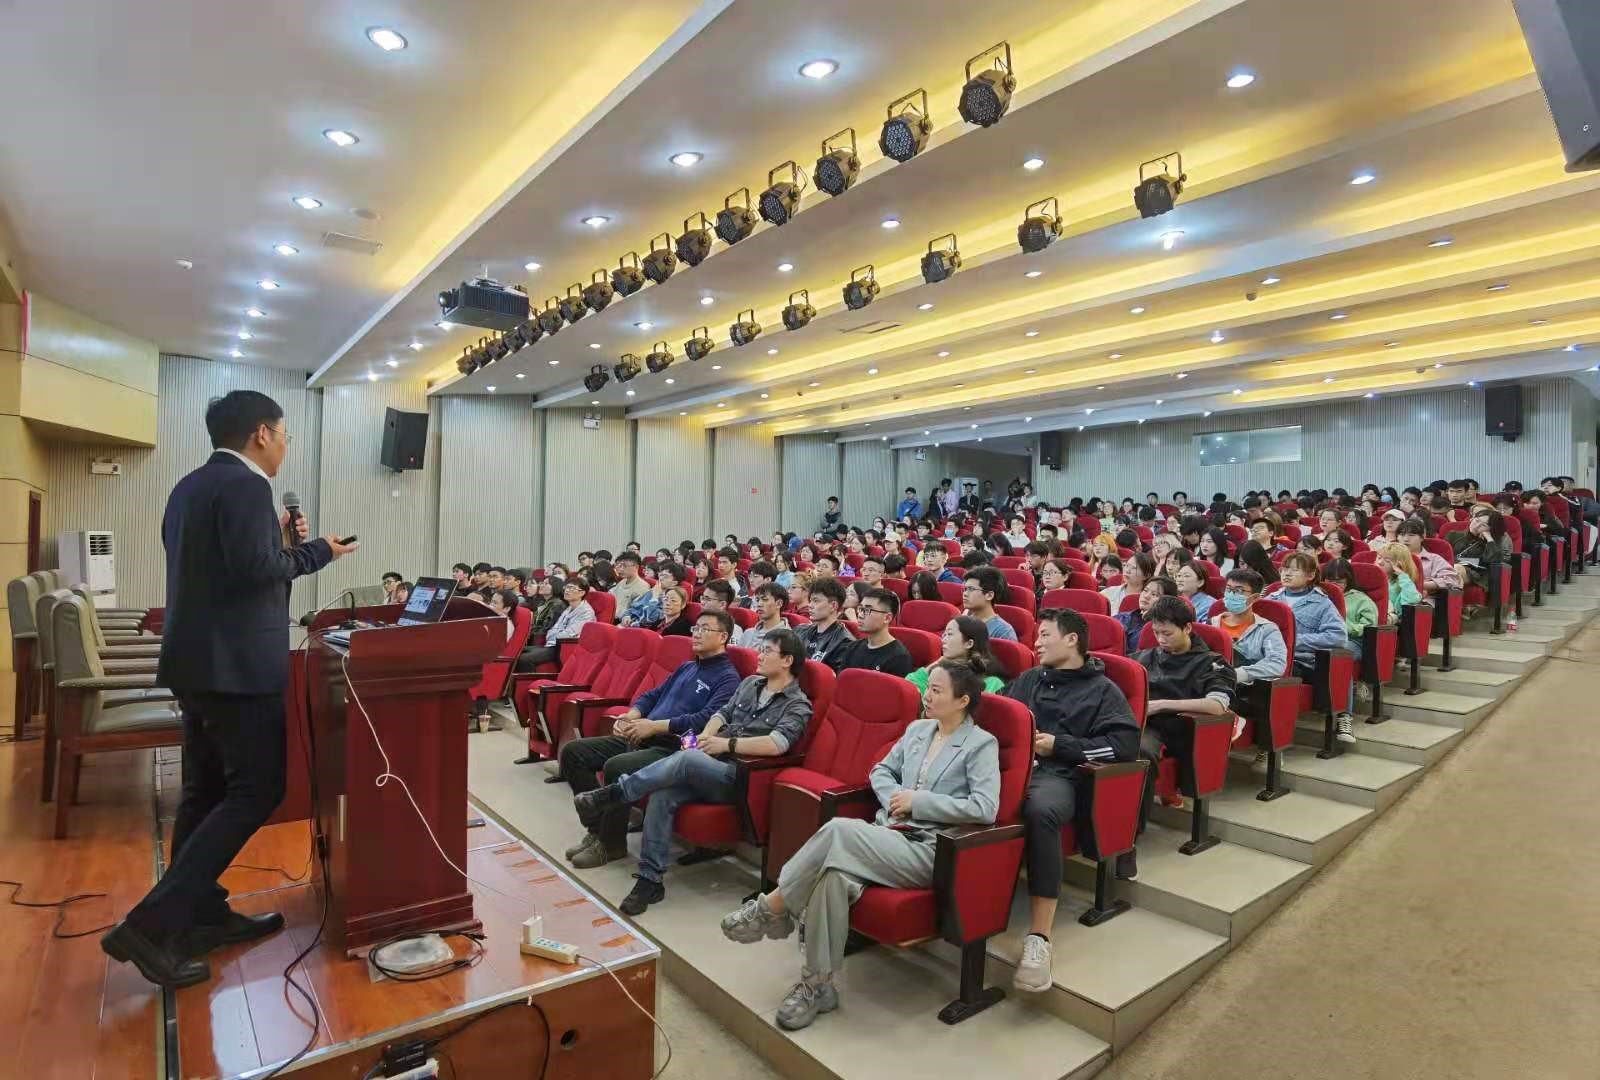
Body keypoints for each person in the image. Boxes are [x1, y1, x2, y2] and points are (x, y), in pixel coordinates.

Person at [102, 390, 354, 989]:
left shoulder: (189, 487)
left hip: (195, 663)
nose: (285, 445)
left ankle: (201, 914)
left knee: (205, 790)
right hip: (237, 667)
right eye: (284, 434)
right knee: (257, 789)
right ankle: (151, 925)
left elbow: (224, 569)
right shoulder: (247, 487)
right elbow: (255, 571)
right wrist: (317, 552)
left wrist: (281, 543)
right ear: (262, 433)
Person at [717, 662, 999, 1031]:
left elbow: (985, 807)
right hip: (887, 833)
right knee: (831, 877)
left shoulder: (980, 744)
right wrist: (895, 797)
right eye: (927, 688)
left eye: (936, 691)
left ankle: (774, 905)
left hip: (929, 848)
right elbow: (880, 770)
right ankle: (817, 986)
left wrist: (919, 802)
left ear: (962, 700)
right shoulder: (918, 730)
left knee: (838, 830)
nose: (926, 696)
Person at [574, 628, 815, 915]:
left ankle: (616, 792)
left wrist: (726, 744)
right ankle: (650, 880)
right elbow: (722, 713)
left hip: (740, 777)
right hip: (709, 760)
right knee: (663, 794)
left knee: (687, 759)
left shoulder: (798, 703)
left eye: (767, 651)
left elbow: (777, 744)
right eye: (760, 650)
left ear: (787, 660)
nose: (759, 656)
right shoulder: (751, 683)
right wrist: (707, 736)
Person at [1006, 609, 1141, 990]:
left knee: (1041, 811)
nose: (1036, 643)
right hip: (1012, 768)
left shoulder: (1103, 690)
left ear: (1071, 640)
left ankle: (1040, 936)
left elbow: (1123, 747)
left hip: (1059, 774)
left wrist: (1060, 746)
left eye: (1045, 635)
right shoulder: (1030, 678)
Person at [559, 611, 741, 866]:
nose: (697, 634)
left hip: (673, 748)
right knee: (574, 752)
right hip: (643, 734)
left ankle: (611, 845)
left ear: (723, 637)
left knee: (617, 766)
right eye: (695, 628)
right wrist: (631, 715)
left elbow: (705, 721)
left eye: (705, 629)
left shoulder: (728, 678)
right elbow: (652, 695)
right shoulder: (688, 667)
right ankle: (597, 829)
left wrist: (654, 727)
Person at [1133, 595, 1237, 815]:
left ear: (1187, 628)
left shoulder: (1212, 662)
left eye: (1167, 633)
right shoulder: (1145, 657)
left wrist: (1161, 705)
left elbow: (1217, 705)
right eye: (1156, 633)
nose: (1160, 639)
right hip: (1138, 721)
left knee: (1137, 747)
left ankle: (1132, 824)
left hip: (1171, 729)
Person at [1276, 552, 1357, 742]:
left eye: (1294, 570)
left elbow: (1338, 637)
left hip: (1304, 662)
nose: (1287, 573)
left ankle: (1344, 717)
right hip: (1272, 658)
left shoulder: (1322, 603)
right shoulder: (1271, 599)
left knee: (1341, 662)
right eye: (1284, 569)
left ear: (1310, 575)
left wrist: (1295, 641)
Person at [906, 616, 1007, 694]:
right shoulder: (941, 671)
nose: (943, 640)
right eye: (944, 635)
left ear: (969, 643)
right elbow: (909, 686)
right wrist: (937, 663)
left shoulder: (991, 683)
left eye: (949, 634)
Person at [837, 588, 916, 676]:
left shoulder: (899, 658)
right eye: (860, 609)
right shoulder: (853, 647)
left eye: (867, 610)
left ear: (887, 618)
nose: (860, 615)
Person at [522, 578, 596, 666]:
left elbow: (570, 634)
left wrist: (553, 637)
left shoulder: (586, 612)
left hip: (565, 647)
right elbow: (554, 628)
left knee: (523, 659)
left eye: (572, 588)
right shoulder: (569, 608)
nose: (567, 590)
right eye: (567, 587)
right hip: (552, 644)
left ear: (582, 593)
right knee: (518, 651)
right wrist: (552, 636)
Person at [795, 577, 855, 669]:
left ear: (833, 605)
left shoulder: (845, 643)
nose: (809, 605)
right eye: (810, 600)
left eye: (816, 601)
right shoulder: (800, 630)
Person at [1398, 519, 1461, 595]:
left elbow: (1453, 580)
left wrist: (1423, 585)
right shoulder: (1390, 556)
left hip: (1424, 599)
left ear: (1422, 537)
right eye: (1402, 535)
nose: (1406, 539)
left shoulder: (1434, 559)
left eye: (1411, 535)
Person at [1117, 576, 1178, 654]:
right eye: (1145, 590)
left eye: (1154, 594)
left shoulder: (1163, 629)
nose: (1146, 596)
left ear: (1167, 601)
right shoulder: (1122, 617)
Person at [960, 566, 1018, 642]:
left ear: (989, 595)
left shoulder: (1003, 632)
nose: (965, 594)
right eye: (965, 589)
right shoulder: (962, 622)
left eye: (971, 589)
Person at [736, 583, 789, 648]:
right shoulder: (748, 633)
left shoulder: (787, 638)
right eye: (757, 600)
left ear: (779, 603)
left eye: (765, 599)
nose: (759, 604)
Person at [1375, 543, 1424, 613]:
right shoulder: (1372, 579)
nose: (1380, 562)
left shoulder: (1403, 584)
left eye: (1387, 560)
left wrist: (1402, 575)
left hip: (1391, 616)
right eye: (1379, 558)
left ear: (1399, 565)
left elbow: (1412, 599)